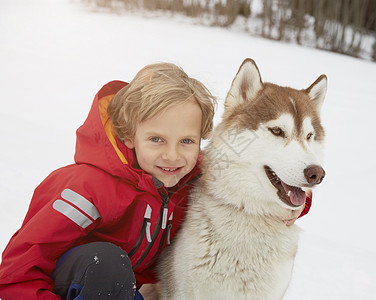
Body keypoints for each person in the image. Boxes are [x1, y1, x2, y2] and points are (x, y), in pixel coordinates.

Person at [0, 63, 216, 299]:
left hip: (123, 291)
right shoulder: (88, 188)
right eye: (156, 139)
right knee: (107, 263)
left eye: (186, 141)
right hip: (63, 285)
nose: (173, 155)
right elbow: (19, 271)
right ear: (128, 134)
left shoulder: (190, 184)